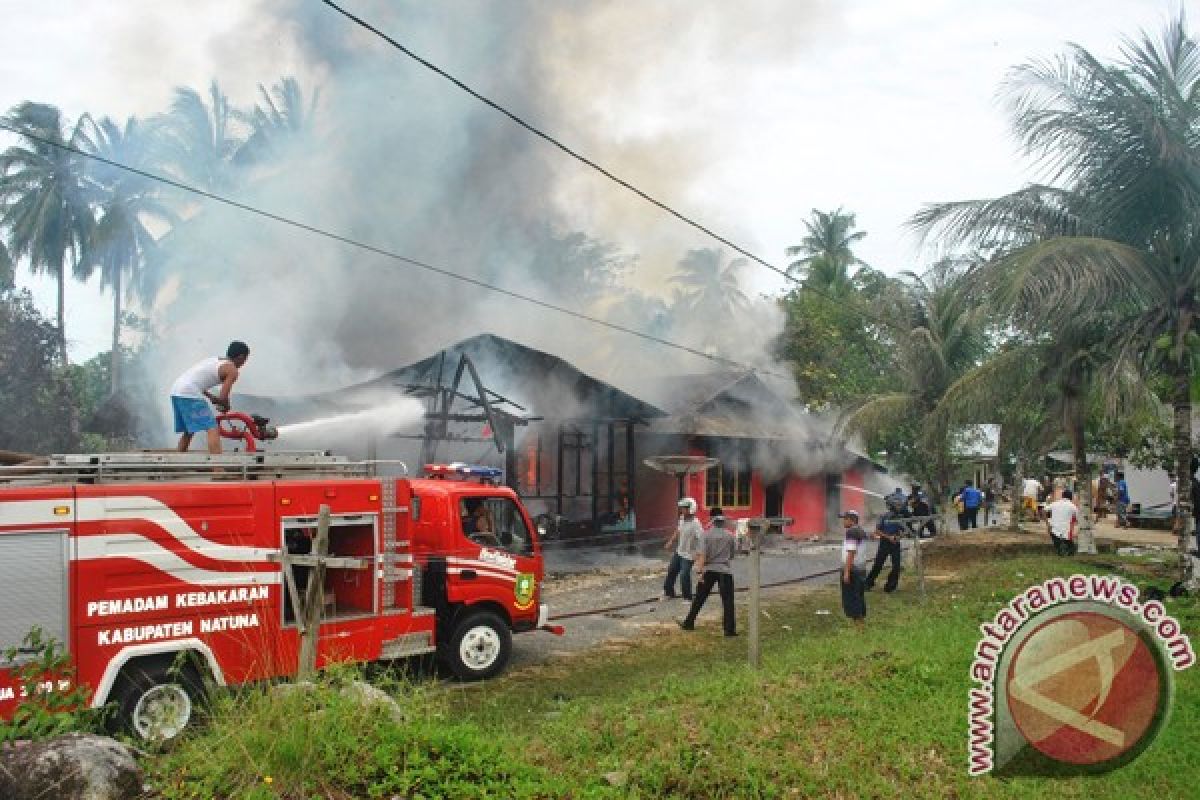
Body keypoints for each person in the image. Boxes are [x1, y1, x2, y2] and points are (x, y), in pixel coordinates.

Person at [170, 341, 250, 454]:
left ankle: (178, 461)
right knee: (213, 428)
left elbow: (196, 379)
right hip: (189, 392)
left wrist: (211, 397)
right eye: (245, 360)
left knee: (189, 429)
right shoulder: (232, 370)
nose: (244, 363)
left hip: (177, 389)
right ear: (241, 357)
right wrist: (225, 405)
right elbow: (223, 398)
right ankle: (217, 468)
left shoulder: (216, 360)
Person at [679, 507, 737, 636]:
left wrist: (700, 572)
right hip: (725, 570)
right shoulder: (730, 535)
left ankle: (689, 623)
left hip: (709, 570)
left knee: (699, 598)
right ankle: (729, 630)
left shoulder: (706, 535)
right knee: (728, 601)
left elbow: (702, 555)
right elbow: (733, 554)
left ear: (711, 519)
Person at [663, 497, 703, 600]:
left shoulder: (696, 524)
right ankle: (669, 593)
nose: (682, 510)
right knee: (671, 571)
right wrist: (671, 541)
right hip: (679, 552)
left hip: (689, 555)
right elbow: (678, 530)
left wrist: (699, 558)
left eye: (684, 508)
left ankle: (687, 597)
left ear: (691, 509)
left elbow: (701, 540)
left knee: (684, 575)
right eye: (681, 508)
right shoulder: (682, 518)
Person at [866, 493, 905, 592]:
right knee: (878, 565)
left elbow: (904, 530)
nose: (899, 507)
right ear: (891, 505)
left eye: (900, 505)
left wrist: (899, 536)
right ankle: (868, 584)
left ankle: (890, 587)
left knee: (896, 566)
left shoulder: (900, 517)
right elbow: (877, 531)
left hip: (895, 544)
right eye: (897, 505)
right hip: (884, 544)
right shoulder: (883, 516)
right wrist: (889, 537)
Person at [839, 510, 867, 630]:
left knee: (852, 598)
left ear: (852, 520)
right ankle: (860, 624)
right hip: (860, 569)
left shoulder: (852, 532)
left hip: (852, 569)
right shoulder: (860, 530)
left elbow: (851, 552)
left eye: (845, 519)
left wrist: (846, 572)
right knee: (858, 596)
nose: (843, 521)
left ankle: (859, 628)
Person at [1046, 489, 1079, 556]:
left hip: (1054, 530)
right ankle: (1067, 550)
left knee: (1055, 536)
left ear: (1062, 496)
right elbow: (1078, 519)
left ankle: (1060, 548)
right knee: (1069, 542)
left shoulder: (1054, 503)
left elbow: (1043, 510)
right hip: (1066, 531)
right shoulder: (1072, 506)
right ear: (1071, 497)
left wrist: (1047, 522)